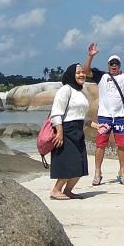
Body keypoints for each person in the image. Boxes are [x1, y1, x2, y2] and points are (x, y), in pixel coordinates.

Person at [82, 42, 124, 186]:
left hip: (120, 117)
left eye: (116, 63)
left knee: (122, 145)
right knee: (100, 145)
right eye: (111, 63)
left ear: (120, 65)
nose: (114, 65)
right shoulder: (101, 76)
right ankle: (97, 172)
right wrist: (90, 56)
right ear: (108, 65)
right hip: (104, 117)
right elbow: (86, 71)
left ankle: (122, 172)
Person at [48, 63, 91, 200]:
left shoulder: (80, 91)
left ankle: (68, 190)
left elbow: (81, 116)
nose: (82, 74)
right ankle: (56, 190)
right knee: (69, 163)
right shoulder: (65, 90)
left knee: (81, 165)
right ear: (71, 74)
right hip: (66, 130)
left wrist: (97, 126)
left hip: (78, 130)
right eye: (78, 72)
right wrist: (59, 132)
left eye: (83, 72)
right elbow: (56, 113)